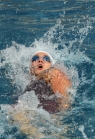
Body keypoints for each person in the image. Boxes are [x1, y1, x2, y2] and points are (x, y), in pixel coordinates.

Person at [12, 50, 72, 138]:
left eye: (46, 58)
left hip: (49, 114)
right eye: (35, 58)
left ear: (51, 65)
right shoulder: (26, 81)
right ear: (30, 66)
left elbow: (64, 100)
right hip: (30, 111)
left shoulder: (54, 74)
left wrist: (59, 117)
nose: (40, 60)